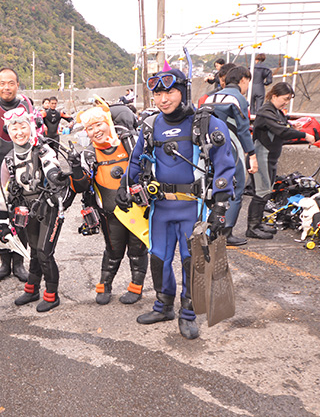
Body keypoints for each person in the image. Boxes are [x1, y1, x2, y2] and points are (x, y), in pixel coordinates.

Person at [117, 67, 235, 339]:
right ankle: (163, 306)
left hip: (193, 207)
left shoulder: (206, 123)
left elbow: (225, 166)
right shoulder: (150, 125)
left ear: (183, 91)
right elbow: (136, 160)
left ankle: (188, 314)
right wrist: (125, 186)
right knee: (158, 257)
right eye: (158, 94)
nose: (163, 99)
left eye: (169, 92)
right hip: (160, 207)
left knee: (192, 262)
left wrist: (220, 208)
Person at [70, 107, 148, 305]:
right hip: (109, 213)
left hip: (138, 211)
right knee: (113, 251)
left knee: (137, 251)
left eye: (99, 124)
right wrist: (76, 169)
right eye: (90, 128)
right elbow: (81, 187)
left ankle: (136, 287)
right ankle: (104, 285)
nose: (96, 131)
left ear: (110, 123)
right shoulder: (89, 154)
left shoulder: (130, 144)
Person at [0, 107, 70, 312]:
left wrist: (54, 175)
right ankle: (32, 289)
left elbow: (51, 165)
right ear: (8, 131)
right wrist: (3, 223)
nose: (19, 132)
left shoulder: (43, 150)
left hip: (49, 207)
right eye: (14, 128)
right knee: (35, 252)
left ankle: (52, 295)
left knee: (44, 252)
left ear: (31, 127)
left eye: (23, 127)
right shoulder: (8, 160)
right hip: (27, 210)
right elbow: (2, 193)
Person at [247, 82, 315, 239]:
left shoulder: (276, 111)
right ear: (274, 95)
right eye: (285, 99)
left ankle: (258, 223)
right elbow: (281, 131)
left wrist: (293, 125)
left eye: (288, 100)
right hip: (262, 156)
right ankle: (252, 227)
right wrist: (305, 135)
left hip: (270, 157)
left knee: (267, 191)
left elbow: (283, 123)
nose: (286, 103)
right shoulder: (265, 112)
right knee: (261, 192)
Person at [205, 65, 258, 246]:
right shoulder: (237, 98)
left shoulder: (211, 97)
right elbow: (243, 130)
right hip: (230, 146)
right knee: (236, 186)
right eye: (247, 82)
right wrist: (252, 154)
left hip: (209, 147)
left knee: (212, 186)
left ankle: (210, 229)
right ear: (243, 80)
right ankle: (226, 233)